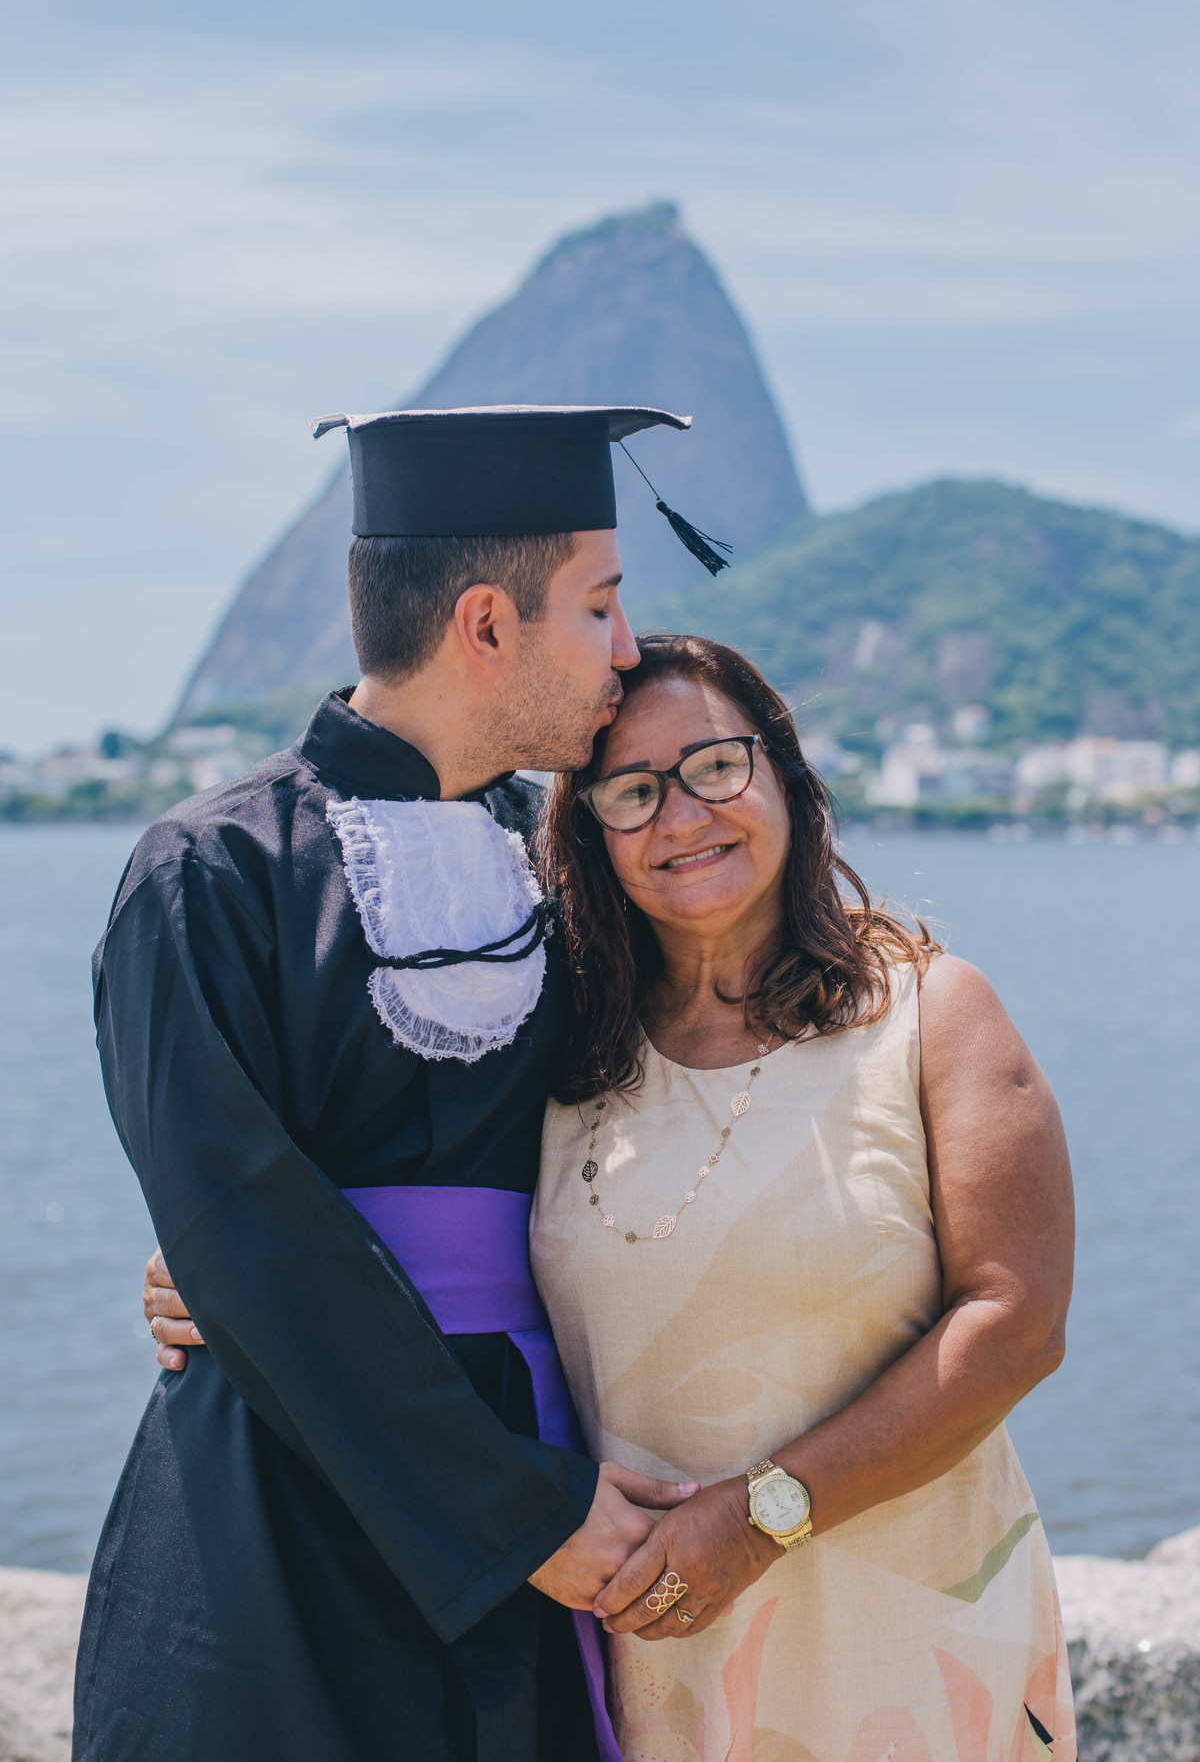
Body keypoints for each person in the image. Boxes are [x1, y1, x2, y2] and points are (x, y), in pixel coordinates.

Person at [78, 405, 728, 1762]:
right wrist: (518, 1512)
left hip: (559, 1464)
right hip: (285, 1494)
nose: (629, 649)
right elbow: (246, 1226)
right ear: (488, 624)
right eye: (602, 607)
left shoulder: (562, 873)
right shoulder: (208, 875)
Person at [528, 633, 1077, 1759]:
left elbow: (1015, 1322)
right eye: (631, 792)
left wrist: (763, 1516)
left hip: (918, 1644)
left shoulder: (927, 1014)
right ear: (588, 836)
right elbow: (407, 1226)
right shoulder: (555, 1054)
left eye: (716, 767)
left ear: (782, 774)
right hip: (653, 1650)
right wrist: (226, 1269)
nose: (683, 817)